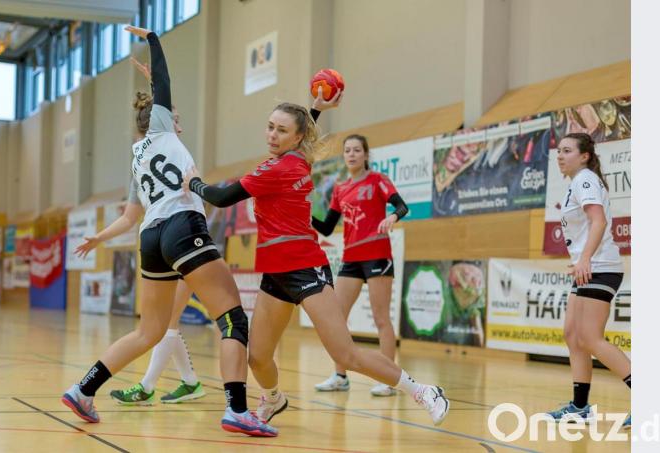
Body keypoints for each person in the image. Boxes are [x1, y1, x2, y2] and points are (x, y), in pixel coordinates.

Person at [60, 25, 276, 437]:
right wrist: (155, 41)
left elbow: (128, 218)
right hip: (181, 225)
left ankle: (83, 389)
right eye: (172, 114)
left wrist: (98, 238)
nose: (178, 119)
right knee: (232, 317)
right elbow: (165, 84)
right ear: (159, 118)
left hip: (150, 237)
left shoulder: (137, 160)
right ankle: (237, 409)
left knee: (149, 330)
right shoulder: (162, 129)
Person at [182, 94, 450, 426]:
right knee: (259, 357)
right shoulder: (299, 160)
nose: (271, 135)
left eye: (281, 130)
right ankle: (274, 398)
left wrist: (192, 181)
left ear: (296, 138)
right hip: (275, 274)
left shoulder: (278, 167)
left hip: (306, 268)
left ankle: (424, 392)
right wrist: (317, 108)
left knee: (345, 354)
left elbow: (221, 198)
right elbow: (304, 134)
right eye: (269, 127)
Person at [104, 56, 205, 407]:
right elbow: (131, 216)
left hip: (186, 240)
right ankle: (186, 382)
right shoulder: (142, 160)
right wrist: (100, 238)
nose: (179, 123)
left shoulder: (173, 150)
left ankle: (149, 387)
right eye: (173, 117)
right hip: (168, 238)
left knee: (166, 324)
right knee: (167, 324)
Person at [310, 134, 409, 396]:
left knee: (381, 319)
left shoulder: (377, 180)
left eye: (356, 150)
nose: (351, 154)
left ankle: (390, 380)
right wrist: (303, 214)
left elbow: (401, 205)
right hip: (351, 259)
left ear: (365, 155)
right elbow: (327, 227)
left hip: (377, 255)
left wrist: (392, 216)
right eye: (347, 151)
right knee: (337, 317)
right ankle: (340, 376)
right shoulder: (340, 189)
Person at [546, 132, 631, 429]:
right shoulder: (576, 183)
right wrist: (582, 261)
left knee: (590, 338)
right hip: (587, 267)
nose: (560, 155)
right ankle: (580, 408)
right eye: (558, 151)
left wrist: (584, 258)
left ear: (584, 156)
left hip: (599, 266)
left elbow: (599, 221)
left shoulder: (584, 179)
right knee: (572, 335)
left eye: (567, 150)